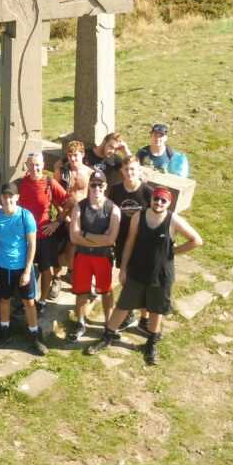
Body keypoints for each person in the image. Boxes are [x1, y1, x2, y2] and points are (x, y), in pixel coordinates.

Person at [85, 188, 203, 365]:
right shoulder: (138, 217)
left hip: (161, 275)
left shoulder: (173, 220)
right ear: (152, 199)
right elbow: (130, 242)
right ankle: (107, 337)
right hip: (137, 271)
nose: (159, 203)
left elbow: (196, 240)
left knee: (156, 310)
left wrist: (173, 251)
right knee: (123, 305)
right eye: (156, 199)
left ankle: (151, 344)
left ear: (169, 203)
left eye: (163, 201)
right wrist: (123, 269)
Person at [0, 181, 46, 355]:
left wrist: (28, 270)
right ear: (1, 198)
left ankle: (34, 334)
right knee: (5, 299)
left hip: (22, 268)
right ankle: (5, 331)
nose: (7, 200)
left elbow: (32, 244)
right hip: (3, 266)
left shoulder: (25, 216)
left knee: (29, 302)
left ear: (17, 197)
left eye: (11, 196)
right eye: (4, 197)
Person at [66, 170, 121, 342]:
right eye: (93, 184)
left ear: (105, 186)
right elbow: (73, 237)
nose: (97, 188)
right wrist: (100, 240)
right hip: (82, 256)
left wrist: (86, 235)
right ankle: (80, 322)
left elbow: (111, 239)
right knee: (81, 291)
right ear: (89, 186)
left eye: (100, 185)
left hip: (103, 257)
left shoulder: (113, 208)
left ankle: (108, 322)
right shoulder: (80, 206)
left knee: (106, 291)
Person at [15, 152, 70, 315]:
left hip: (44, 235)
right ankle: (26, 300)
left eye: (38, 164)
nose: (35, 168)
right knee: (25, 268)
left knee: (45, 269)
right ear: (26, 165)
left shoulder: (49, 182)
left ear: (43, 165)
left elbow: (70, 203)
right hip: (25, 236)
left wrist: (57, 222)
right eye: (31, 165)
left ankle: (43, 301)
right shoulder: (19, 184)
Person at [108, 154, 154, 331]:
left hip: (142, 243)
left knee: (143, 280)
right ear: (122, 171)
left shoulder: (147, 192)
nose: (129, 173)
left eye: (133, 169)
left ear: (138, 169)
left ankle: (145, 317)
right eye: (126, 169)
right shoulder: (116, 189)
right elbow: (111, 212)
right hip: (121, 241)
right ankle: (129, 314)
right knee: (126, 278)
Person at [51, 140, 93, 294]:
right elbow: (54, 196)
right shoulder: (60, 172)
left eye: (75, 155)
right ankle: (56, 278)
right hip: (64, 214)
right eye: (70, 156)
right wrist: (63, 215)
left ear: (82, 155)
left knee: (74, 246)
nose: (73, 159)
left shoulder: (89, 173)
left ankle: (71, 272)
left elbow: (91, 196)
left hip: (82, 216)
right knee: (59, 249)